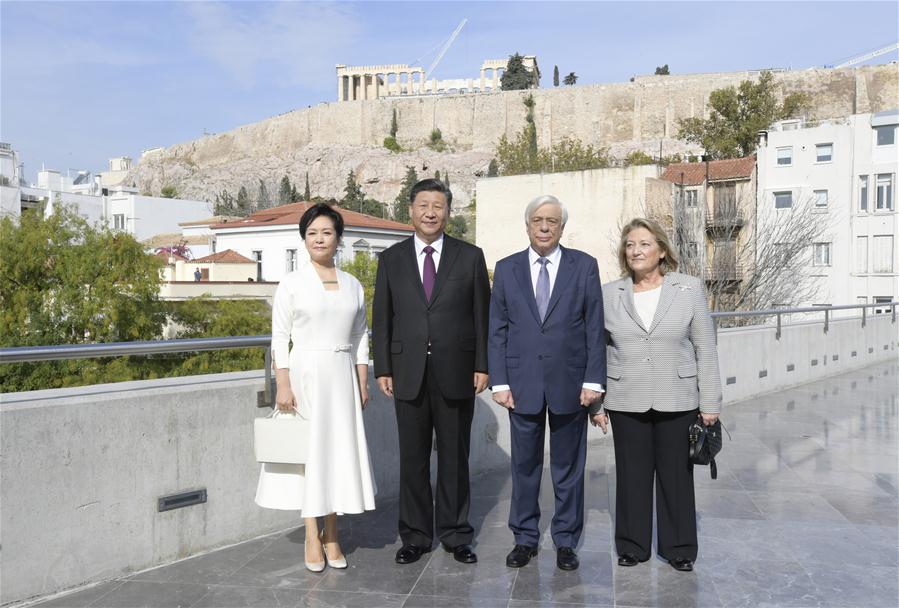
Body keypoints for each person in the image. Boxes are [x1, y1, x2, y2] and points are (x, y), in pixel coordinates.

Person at [590, 217, 722, 572]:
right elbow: (597, 350)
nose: (636, 250)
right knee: (631, 476)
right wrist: (597, 404)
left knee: (676, 477)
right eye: (630, 244)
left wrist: (710, 403)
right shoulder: (609, 293)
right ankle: (632, 546)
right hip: (624, 397)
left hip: (678, 397)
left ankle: (679, 548)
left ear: (661, 250)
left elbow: (705, 347)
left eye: (644, 244)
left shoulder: (689, 288)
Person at [372, 178, 490, 565]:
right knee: (413, 459)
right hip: (407, 373)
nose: (430, 212)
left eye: (437, 206)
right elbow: (383, 318)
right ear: (410, 209)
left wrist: (482, 365)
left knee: (455, 458)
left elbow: (481, 317)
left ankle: (457, 535)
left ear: (448, 212)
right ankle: (416, 536)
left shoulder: (470, 256)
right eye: (423, 205)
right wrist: (383, 368)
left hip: (457, 370)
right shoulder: (390, 259)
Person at [255, 203, 376, 573]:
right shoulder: (291, 284)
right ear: (304, 239)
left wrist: (362, 379)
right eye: (312, 233)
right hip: (306, 374)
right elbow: (280, 337)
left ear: (338, 238)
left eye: (326, 232)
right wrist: (283, 382)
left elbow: (359, 336)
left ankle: (333, 532)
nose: (319, 238)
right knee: (310, 455)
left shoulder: (353, 284)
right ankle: (311, 532)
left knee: (338, 453)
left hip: (342, 376)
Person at [488, 195, 605, 571]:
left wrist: (594, 382)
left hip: (571, 384)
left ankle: (566, 541)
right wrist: (499, 382)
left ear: (561, 227)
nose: (544, 226)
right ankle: (524, 538)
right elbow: (498, 330)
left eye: (551, 221)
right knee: (524, 468)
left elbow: (593, 327)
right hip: (521, 386)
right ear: (527, 225)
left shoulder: (584, 266)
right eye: (537, 220)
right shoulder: (506, 269)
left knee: (568, 469)